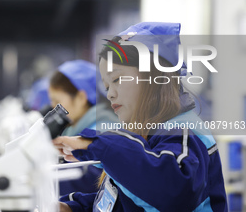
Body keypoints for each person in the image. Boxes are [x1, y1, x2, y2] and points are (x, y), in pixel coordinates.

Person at [54, 22, 227, 212]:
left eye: (117, 79)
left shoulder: (185, 131)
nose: (110, 94)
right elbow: (125, 201)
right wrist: (71, 208)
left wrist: (99, 145)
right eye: (107, 87)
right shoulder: (145, 134)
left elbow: (172, 191)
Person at [49, 59, 118, 196]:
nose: (53, 107)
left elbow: (91, 177)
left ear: (81, 97)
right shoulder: (76, 127)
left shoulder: (103, 128)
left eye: (58, 101)